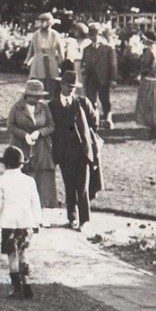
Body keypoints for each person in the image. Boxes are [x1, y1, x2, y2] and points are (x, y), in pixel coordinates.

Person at [48, 70, 100, 230]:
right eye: (68, 86)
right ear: (61, 85)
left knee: (82, 187)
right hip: (64, 152)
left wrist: (88, 139)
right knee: (69, 187)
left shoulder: (82, 102)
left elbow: (94, 122)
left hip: (82, 152)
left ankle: (85, 220)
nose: (71, 89)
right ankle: (72, 218)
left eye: (73, 87)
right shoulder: (53, 105)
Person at [0, 145, 42, 300]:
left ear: (5, 164)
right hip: (26, 222)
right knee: (23, 252)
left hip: (9, 223)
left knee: (12, 255)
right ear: (21, 164)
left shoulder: (0, 181)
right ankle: (26, 285)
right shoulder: (29, 181)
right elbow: (35, 202)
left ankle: (16, 288)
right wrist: (37, 222)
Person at [6, 79, 57, 221]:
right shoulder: (16, 108)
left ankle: (38, 215)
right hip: (21, 148)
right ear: (27, 95)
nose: (37, 98)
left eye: (39, 95)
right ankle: (20, 214)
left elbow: (51, 126)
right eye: (34, 95)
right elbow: (10, 126)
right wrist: (25, 135)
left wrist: (39, 132)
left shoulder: (44, 108)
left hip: (41, 149)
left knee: (40, 181)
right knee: (22, 181)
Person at [82, 24, 118, 130]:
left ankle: (108, 119)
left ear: (100, 34)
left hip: (104, 78)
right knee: (90, 100)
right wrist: (84, 71)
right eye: (91, 35)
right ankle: (94, 121)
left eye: (95, 34)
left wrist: (113, 79)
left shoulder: (108, 48)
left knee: (105, 100)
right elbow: (83, 63)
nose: (92, 37)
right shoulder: (86, 49)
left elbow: (113, 64)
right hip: (90, 78)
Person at [24, 13, 65, 95]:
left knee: (51, 86)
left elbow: (61, 52)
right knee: (38, 85)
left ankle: (50, 103)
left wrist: (62, 65)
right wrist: (26, 62)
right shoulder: (36, 34)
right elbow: (31, 51)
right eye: (42, 21)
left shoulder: (55, 35)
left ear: (51, 23)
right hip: (38, 63)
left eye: (46, 21)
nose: (44, 23)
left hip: (51, 63)